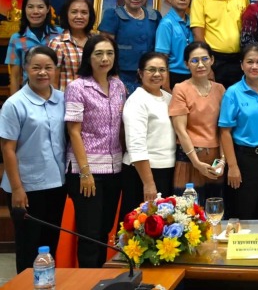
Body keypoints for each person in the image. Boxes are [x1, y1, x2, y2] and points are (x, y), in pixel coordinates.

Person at [0, 46, 67, 273]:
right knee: (29, 249)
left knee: (49, 246)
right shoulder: (14, 104)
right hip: (26, 187)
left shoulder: (62, 99)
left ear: (56, 70)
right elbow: (7, 148)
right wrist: (17, 188)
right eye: (36, 67)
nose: (42, 73)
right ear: (27, 68)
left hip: (56, 184)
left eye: (48, 67)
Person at [64, 35, 126, 268]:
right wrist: (85, 172)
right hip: (86, 170)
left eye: (109, 53)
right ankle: (88, 279)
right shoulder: (77, 87)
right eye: (98, 53)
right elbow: (73, 131)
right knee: (89, 233)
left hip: (115, 168)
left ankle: (99, 278)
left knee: (104, 230)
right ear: (88, 57)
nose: (104, 58)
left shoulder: (119, 86)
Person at [218, 44, 258, 220]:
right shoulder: (233, 93)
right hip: (244, 159)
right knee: (244, 211)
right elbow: (225, 132)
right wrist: (232, 166)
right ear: (241, 65)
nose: (254, 66)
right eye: (249, 62)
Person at [119, 52, 176, 219]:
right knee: (141, 231)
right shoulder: (137, 100)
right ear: (140, 73)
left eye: (162, 70)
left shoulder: (169, 98)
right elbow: (135, 145)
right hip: (142, 174)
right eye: (151, 70)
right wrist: (149, 184)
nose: (157, 74)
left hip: (167, 170)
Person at [168, 41, 226, 203]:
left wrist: (223, 159)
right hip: (189, 159)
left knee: (215, 209)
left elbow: (224, 129)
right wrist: (196, 162)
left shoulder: (220, 89)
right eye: (194, 61)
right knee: (189, 215)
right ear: (186, 64)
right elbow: (181, 130)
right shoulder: (180, 89)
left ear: (212, 60)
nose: (200, 64)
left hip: (215, 161)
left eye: (205, 59)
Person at [190, 0, 250, 88]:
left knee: (238, 100)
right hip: (215, 60)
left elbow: (247, 29)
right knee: (216, 102)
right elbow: (198, 34)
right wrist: (207, 65)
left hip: (239, 58)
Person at [98, 0, 161, 94]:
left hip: (150, 75)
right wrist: (113, 75)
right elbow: (105, 49)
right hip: (121, 76)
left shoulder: (154, 16)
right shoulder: (113, 15)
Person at [6, 0, 62, 95]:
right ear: (24, 9)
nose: (35, 11)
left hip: (57, 93)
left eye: (40, 7)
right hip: (29, 93)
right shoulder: (16, 38)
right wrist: (14, 103)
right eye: (30, 7)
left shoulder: (60, 34)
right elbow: (15, 76)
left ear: (48, 9)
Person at [49, 0, 95, 92]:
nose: (79, 16)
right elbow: (52, 82)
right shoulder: (57, 44)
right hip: (67, 102)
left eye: (84, 12)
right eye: (74, 12)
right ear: (66, 15)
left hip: (94, 101)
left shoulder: (97, 41)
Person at [155, 0, 193, 92]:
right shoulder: (166, 24)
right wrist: (166, 85)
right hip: (173, 75)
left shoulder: (192, 21)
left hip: (193, 74)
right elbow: (162, 57)